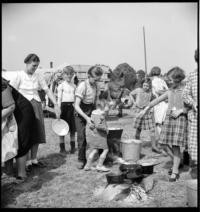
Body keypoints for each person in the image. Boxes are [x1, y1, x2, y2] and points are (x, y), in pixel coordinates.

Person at [10, 53, 61, 172]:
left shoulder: (38, 76)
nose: (35, 68)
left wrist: (56, 104)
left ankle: (34, 160)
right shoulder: (19, 75)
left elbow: (47, 90)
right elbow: (11, 91)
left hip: (36, 104)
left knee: (37, 132)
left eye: (37, 66)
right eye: (33, 65)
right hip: (23, 107)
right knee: (26, 134)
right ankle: (26, 162)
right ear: (27, 63)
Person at [140, 67, 188, 182]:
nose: (168, 82)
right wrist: (145, 109)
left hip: (179, 120)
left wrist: (181, 111)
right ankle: (178, 162)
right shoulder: (169, 92)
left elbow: (190, 107)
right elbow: (156, 101)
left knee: (176, 146)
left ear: (178, 79)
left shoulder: (185, 91)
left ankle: (175, 170)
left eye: (170, 80)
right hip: (169, 120)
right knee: (162, 143)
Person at [2, 78, 37, 181]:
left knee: (21, 141)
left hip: (22, 112)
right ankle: (8, 171)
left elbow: (10, 107)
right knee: (7, 140)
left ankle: (22, 175)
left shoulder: (2, 85)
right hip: (10, 113)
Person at [74, 65, 103, 169]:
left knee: (97, 134)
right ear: (89, 75)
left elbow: (97, 101)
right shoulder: (82, 86)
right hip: (80, 113)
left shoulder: (96, 86)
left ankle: (98, 157)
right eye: (95, 79)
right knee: (82, 137)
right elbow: (76, 105)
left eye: (98, 79)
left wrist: (100, 112)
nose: (96, 81)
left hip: (91, 110)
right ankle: (81, 159)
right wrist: (86, 118)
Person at [128, 78, 160, 153]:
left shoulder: (151, 92)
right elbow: (130, 94)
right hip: (139, 111)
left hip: (147, 111)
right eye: (144, 85)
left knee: (152, 129)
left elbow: (155, 99)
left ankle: (154, 146)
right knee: (138, 129)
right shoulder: (138, 90)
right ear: (142, 85)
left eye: (147, 86)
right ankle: (136, 146)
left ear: (150, 86)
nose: (145, 87)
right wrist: (134, 102)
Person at [84, 91, 110, 172]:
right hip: (100, 135)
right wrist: (106, 129)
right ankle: (100, 165)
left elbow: (91, 123)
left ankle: (87, 165)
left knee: (95, 149)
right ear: (104, 103)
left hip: (93, 134)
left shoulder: (93, 112)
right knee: (105, 149)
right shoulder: (101, 114)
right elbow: (99, 126)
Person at [182, 49, 198, 179]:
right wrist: (193, 103)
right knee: (195, 146)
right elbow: (185, 94)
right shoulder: (192, 76)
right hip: (195, 117)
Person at [57, 66, 76, 155]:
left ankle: (73, 148)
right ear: (63, 75)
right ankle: (62, 149)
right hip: (63, 108)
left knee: (72, 130)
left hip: (72, 107)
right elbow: (59, 99)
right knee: (62, 129)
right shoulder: (61, 86)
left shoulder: (74, 86)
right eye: (67, 74)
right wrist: (58, 110)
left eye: (70, 74)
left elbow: (75, 99)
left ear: (73, 75)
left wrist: (76, 109)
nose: (69, 76)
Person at [149, 66, 168, 149]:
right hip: (165, 103)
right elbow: (167, 90)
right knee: (163, 123)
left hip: (158, 104)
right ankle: (163, 141)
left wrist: (162, 95)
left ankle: (161, 142)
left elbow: (157, 91)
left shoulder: (153, 81)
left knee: (158, 124)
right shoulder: (162, 81)